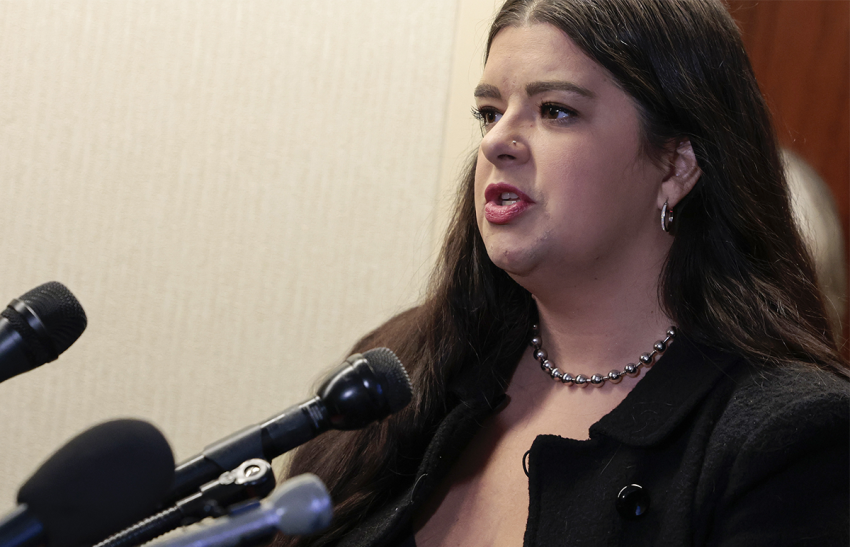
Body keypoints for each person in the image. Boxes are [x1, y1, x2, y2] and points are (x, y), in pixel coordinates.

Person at [274, 0, 850, 545]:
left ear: (677, 164)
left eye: (556, 111)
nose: (499, 141)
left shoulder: (789, 436)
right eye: (490, 113)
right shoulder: (397, 368)